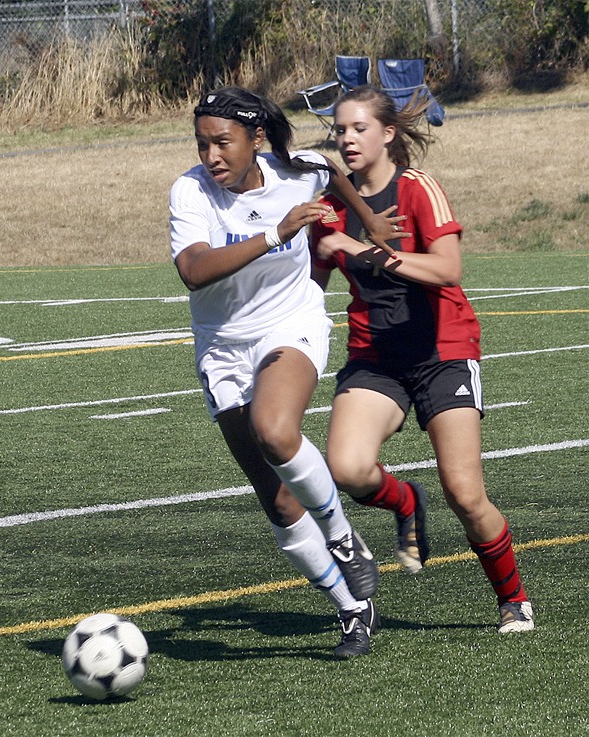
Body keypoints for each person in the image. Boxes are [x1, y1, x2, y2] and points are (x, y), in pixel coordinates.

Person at [168, 86, 408, 656]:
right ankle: (352, 608)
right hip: (223, 347)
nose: (211, 157)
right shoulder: (190, 190)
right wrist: (276, 231)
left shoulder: (293, 173)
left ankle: (344, 539)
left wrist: (370, 220)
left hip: (289, 324)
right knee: (275, 498)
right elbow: (195, 271)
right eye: (202, 144)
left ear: (256, 140)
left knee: (275, 428)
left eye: (222, 143)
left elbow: (329, 172)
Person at [310, 84, 534, 634]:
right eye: (340, 130)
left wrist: (358, 250)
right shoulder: (331, 209)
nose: (348, 139)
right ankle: (406, 499)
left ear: (388, 134)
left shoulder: (417, 189)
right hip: (375, 355)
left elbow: (447, 269)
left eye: (359, 128)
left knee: (465, 492)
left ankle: (513, 598)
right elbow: (311, 286)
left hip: (443, 351)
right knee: (348, 468)